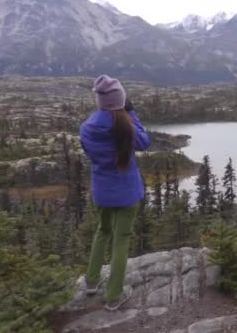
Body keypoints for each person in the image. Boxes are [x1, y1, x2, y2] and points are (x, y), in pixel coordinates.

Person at [79, 75, 151, 311]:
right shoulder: (126, 125)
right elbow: (144, 142)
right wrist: (131, 112)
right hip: (128, 192)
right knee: (121, 240)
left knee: (103, 231)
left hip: (102, 192)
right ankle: (113, 296)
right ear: (120, 100)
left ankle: (91, 281)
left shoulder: (87, 128)